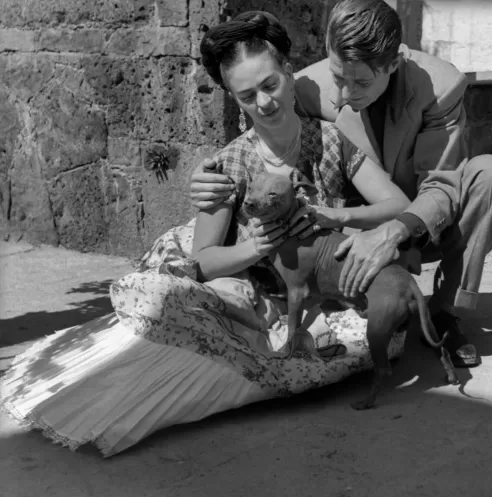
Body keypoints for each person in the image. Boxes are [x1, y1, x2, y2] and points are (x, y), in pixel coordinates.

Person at [0, 11, 412, 458]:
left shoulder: (330, 141)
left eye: (270, 85)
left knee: (384, 333)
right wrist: (256, 247)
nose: (264, 102)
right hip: (252, 292)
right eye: (248, 95)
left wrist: (337, 216)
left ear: (289, 73)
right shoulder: (227, 166)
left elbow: (398, 205)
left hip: (316, 288)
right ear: (235, 100)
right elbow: (204, 260)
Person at [189, 0, 492, 368]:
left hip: (419, 218)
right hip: (346, 244)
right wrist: (209, 180)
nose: (341, 96)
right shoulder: (299, 90)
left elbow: (440, 187)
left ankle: (444, 312)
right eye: (337, 78)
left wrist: (379, 226)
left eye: (360, 83)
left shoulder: (439, 88)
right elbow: (267, 139)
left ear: (392, 64)